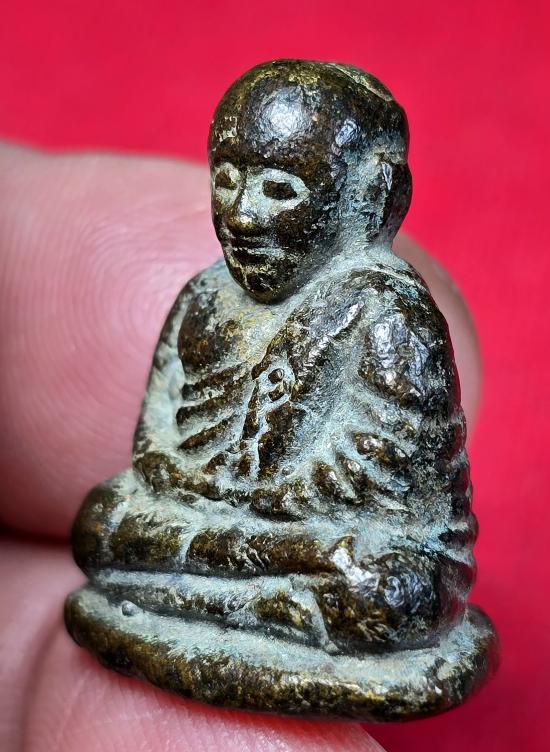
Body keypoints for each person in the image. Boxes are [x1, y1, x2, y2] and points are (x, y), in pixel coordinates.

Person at [64, 62, 495, 719]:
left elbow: (377, 487)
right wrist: (201, 492)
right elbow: (155, 440)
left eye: (279, 189)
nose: (242, 215)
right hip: (262, 541)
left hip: (339, 552)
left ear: (369, 197)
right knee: (100, 524)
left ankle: (200, 596)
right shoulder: (203, 297)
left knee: (388, 594)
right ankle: (253, 603)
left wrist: (255, 511)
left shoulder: (386, 311)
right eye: (227, 182)